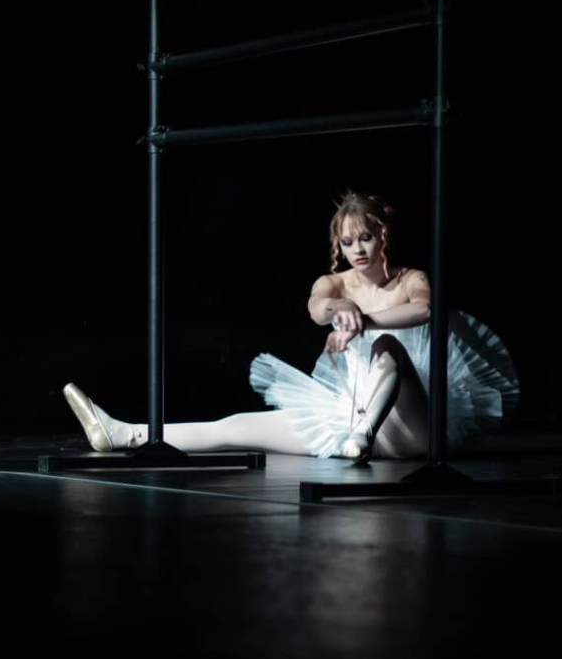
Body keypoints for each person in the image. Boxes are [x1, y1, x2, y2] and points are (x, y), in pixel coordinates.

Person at [63, 192, 519, 462]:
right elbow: (318, 308)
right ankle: (127, 433)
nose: (357, 248)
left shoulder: (410, 279)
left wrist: (363, 322)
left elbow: (425, 310)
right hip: (345, 415)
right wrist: (340, 307)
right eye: (347, 241)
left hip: (414, 427)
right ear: (337, 245)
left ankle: (360, 439)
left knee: (386, 345)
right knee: (233, 426)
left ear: (383, 236)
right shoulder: (334, 282)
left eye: (365, 237)